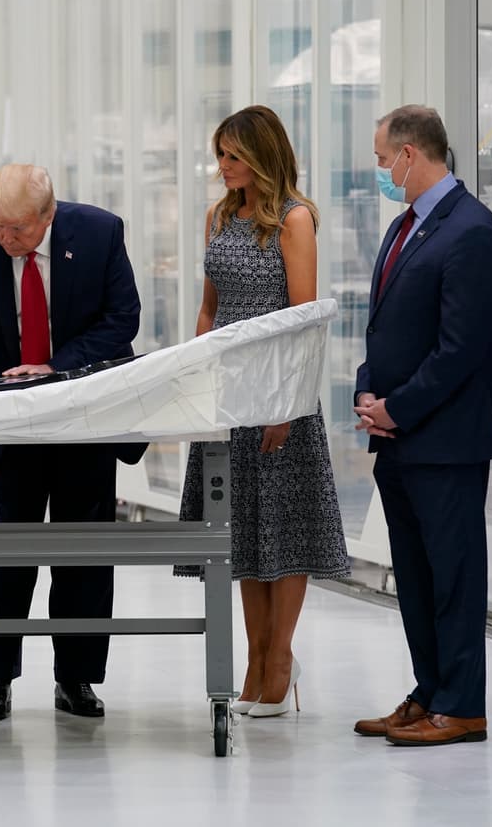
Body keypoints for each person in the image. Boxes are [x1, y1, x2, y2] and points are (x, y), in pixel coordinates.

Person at [0, 164, 144, 722]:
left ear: (48, 215)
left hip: (84, 415)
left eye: (19, 229)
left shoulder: (100, 233)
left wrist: (55, 367)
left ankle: (76, 678)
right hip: (12, 421)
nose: (6, 238)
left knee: (84, 556)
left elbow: (122, 320)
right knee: (10, 555)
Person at [178, 105, 350, 719]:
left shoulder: (294, 220)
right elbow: (209, 308)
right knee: (243, 529)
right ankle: (253, 660)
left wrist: (286, 407)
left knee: (286, 527)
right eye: (220, 155)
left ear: (262, 156)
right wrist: (198, 375)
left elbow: (301, 322)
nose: (223, 166)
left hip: (280, 393)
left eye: (233, 156)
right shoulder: (219, 217)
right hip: (230, 394)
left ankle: (280, 659)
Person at [352, 105, 492, 746]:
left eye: (382, 159)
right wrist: (367, 387)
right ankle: (430, 691)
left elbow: (460, 348)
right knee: (415, 578)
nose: (380, 170)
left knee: (454, 577)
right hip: (398, 438)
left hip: (445, 439)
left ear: (409, 154)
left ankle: (463, 706)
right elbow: (386, 325)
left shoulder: (472, 230)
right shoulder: (404, 226)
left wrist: (399, 407)